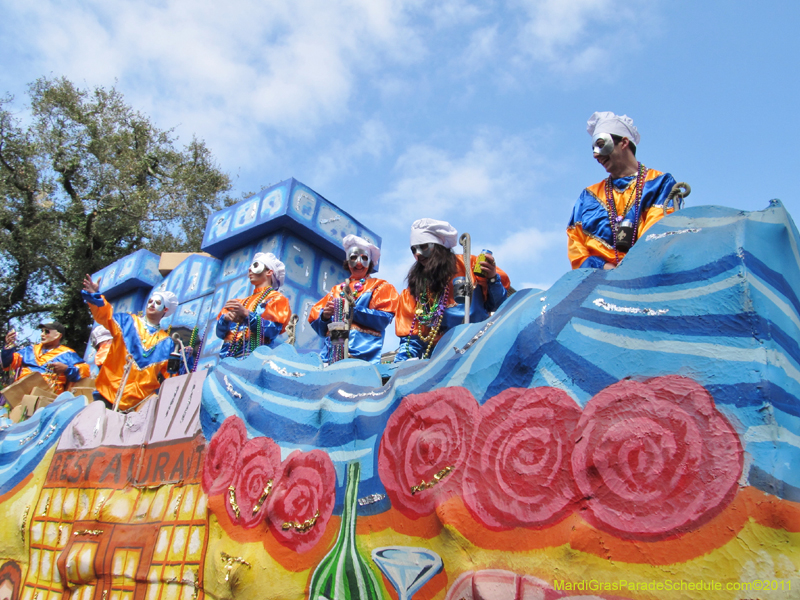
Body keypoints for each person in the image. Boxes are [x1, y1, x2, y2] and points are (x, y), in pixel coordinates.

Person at [567, 111, 678, 270]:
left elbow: (659, 233)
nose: (595, 155)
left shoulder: (659, 183)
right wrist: (604, 268)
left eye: (600, 144)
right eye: (593, 148)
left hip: (648, 275)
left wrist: (630, 268)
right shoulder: (588, 196)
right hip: (599, 283)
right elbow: (576, 245)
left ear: (624, 142)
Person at [394, 218, 511, 361]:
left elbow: (497, 305)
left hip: (479, 352)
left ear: (439, 247)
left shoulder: (469, 265)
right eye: (414, 250)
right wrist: (403, 366)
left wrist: (492, 278)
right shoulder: (414, 290)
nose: (417, 254)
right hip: (438, 362)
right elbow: (411, 341)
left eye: (423, 246)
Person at [82, 275, 179, 410]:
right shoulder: (126, 321)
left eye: (157, 303)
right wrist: (96, 297)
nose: (151, 304)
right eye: (150, 301)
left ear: (165, 309)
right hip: (109, 393)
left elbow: (172, 375)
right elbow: (106, 316)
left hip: (140, 404)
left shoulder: (167, 343)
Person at [309, 235, 400, 364]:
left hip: (361, 356)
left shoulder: (380, 286)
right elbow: (318, 325)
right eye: (353, 257)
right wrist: (325, 316)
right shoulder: (336, 290)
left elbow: (383, 319)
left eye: (364, 258)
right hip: (331, 355)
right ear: (347, 260)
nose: (358, 263)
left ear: (370, 262)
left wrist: (350, 311)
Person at [216, 252, 291, 359]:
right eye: (250, 267)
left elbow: (272, 331)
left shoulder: (276, 299)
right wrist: (226, 319)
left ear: (269, 272)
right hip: (227, 358)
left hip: (253, 358)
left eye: (255, 266)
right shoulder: (239, 302)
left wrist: (247, 315)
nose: (249, 270)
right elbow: (220, 334)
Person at [1, 322, 90, 395]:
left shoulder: (67, 353)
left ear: (58, 335)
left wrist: (66, 368)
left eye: (46, 332)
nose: (42, 334)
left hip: (49, 398)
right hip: (22, 394)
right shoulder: (29, 350)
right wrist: (9, 346)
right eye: (42, 331)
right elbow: (7, 364)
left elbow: (85, 370)